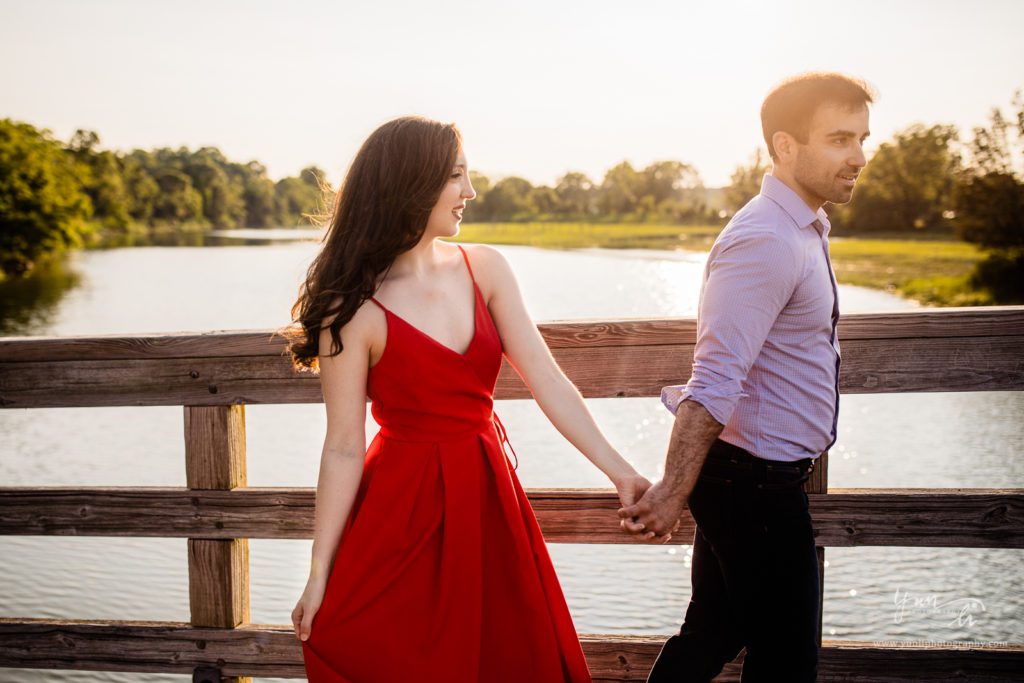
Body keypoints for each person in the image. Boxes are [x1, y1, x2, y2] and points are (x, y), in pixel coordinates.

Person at [280, 115, 658, 683]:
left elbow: (548, 380)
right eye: (457, 176)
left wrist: (620, 472)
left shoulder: (486, 269)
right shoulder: (353, 311)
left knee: (506, 652)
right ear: (412, 184)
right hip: (401, 511)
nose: (471, 192)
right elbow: (341, 447)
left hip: (488, 493)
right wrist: (319, 571)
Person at [617, 72, 874, 682]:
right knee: (786, 661)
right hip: (750, 483)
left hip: (751, 475)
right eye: (840, 139)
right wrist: (674, 490)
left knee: (713, 629)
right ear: (786, 146)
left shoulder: (799, 226)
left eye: (863, 139)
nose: (859, 157)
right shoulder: (765, 239)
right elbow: (714, 377)